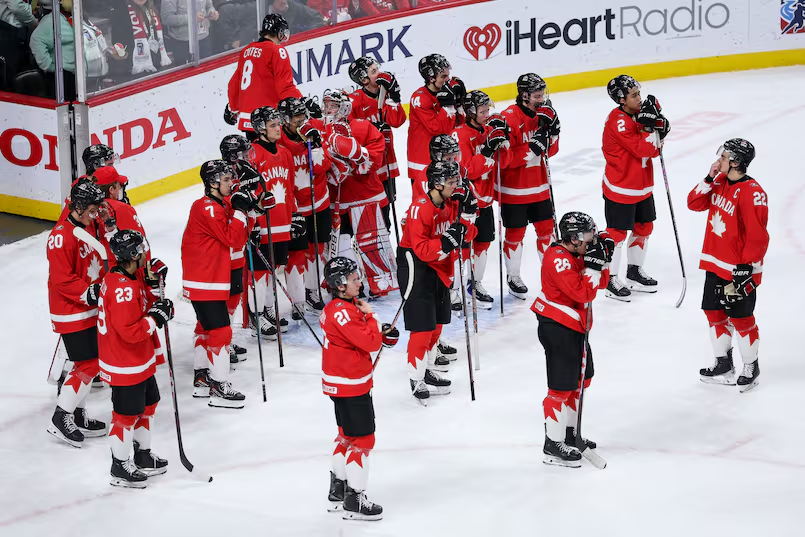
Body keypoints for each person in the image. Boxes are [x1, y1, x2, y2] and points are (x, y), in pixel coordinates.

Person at [687, 139, 768, 392]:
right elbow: (694, 203)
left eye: (722, 157)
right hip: (715, 263)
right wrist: (708, 178)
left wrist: (747, 267)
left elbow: (758, 235)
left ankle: (750, 366)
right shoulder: (719, 181)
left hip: (738, 270)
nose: (717, 160)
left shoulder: (752, 192)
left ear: (735, 162)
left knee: (742, 319)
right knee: (714, 314)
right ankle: (723, 363)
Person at [321, 256, 397, 520]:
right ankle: (355, 499)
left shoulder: (338, 307)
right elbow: (369, 343)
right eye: (354, 279)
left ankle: (338, 491)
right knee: (363, 440)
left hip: (339, 382)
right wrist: (373, 319)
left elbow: (361, 337)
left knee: (346, 435)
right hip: (351, 383)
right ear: (340, 285)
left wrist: (369, 322)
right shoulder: (343, 312)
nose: (359, 282)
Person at [532, 212, 609, 467]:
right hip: (558, 327)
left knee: (580, 381)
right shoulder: (558, 259)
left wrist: (600, 264)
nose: (592, 240)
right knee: (561, 387)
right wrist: (594, 267)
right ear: (574, 238)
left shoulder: (576, 253)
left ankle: (569, 433)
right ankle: (552, 444)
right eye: (587, 236)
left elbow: (600, 284)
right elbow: (584, 292)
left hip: (574, 327)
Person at [397, 160, 477, 404]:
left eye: (457, 181)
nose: (457, 186)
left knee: (437, 324)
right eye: (452, 182)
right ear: (437, 183)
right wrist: (445, 242)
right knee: (422, 328)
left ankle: (428, 367)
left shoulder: (452, 203)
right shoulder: (419, 209)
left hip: (441, 267)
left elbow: (468, 236)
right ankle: (415, 377)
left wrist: (469, 213)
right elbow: (421, 250)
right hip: (416, 268)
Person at [99, 229, 172, 488]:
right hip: (124, 361)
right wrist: (155, 318)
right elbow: (130, 331)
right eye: (141, 250)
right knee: (126, 414)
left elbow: (142, 302)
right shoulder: (122, 290)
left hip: (138, 359)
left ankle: (142, 455)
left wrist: (155, 287)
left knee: (148, 404)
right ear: (132, 254)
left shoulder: (125, 276)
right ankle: (119, 466)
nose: (145, 253)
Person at [181, 160, 254, 408]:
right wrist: (242, 212)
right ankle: (219, 386)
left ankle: (202, 378)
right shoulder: (209, 209)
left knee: (205, 328)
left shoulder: (216, 204)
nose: (230, 183)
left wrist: (245, 211)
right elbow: (233, 238)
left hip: (205, 278)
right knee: (221, 332)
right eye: (225, 180)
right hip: (206, 279)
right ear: (212, 183)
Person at [46, 179, 108, 448]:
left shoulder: (86, 227)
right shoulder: (61, 236)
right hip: (71, 310)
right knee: (88, 364)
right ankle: (61, 417)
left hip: (86, 309)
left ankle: (78, 413)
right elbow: (62, 279)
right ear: (80, 207)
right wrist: (89, 293)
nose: (96, 215)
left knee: (85, 363)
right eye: (93, 210)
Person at [601, 74, 670, 301]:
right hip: (621, 187)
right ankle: (610, 279)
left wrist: (661, 127)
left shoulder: (637, 115)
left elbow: (655, 148)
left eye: (639, 93)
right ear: (621, 100)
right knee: (617, 234)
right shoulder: (618, 120)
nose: (639, 98)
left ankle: (633, 272)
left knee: (644, 227)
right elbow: (644, 150)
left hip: (642, 187)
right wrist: (651, 128)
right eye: (634, 95)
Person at [322, 88, 393, 298]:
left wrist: (356, 157)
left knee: (372, 244)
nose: (329, 109)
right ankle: (347, 285)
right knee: (342, 244)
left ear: (344, 106)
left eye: (334, 105)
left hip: (367, 196)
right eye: (327, 105)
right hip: (339, 199)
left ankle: (378, 282)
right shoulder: (321, 130)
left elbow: (374, 159)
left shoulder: (363, 127)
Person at [497, 73, 560, 300]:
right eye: (536, 95)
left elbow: (551, 152)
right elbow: (503, 160)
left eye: (542, 93)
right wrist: (531, 148)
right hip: (514, 191)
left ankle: (552, 277)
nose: (541, 99)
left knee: (547, 231)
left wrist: (553, 132)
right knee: (515, 235)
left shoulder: (544, 114)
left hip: (540, 187)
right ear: (524, 96)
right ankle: (513, 276)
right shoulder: (508, 118)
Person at [451, 90, 508, 309]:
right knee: (463, 247)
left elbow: (504, 162)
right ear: (470, 112)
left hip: (485, 200)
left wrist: (505, 136)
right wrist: (487, 149)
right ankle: (454, 290)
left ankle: (474, 283)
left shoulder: (488, 130)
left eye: (487, 110)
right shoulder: (460, 134)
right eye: (482, 111)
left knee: (484, 242)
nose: (486, 114)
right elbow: (465, 171)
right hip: (466, 202)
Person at [276, 96, 332, 313]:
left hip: (319, 202)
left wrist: (316, 145)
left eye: (302, 116)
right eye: (295, 118)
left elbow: (322, 167)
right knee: (297, 255)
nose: (301, 121)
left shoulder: (312, 132)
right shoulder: (278, 142)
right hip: (296, 209)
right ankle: (297, 299)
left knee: (316, 249)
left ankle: (313, 290)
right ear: (284, 120)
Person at [225, 14, 319, 138]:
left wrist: (232, 108)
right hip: (269, 120)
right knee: (275, 155)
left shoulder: (246, 51)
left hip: (248, 120)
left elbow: (234, 84)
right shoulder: (276, 50)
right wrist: (301, 103)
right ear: (279, 32)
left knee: (256, 154)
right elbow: (285, 88)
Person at [248, 105, 298, 334]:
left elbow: (289, 188)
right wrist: (252, 223)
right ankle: (256, 313)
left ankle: (269, 308)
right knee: (260, 270)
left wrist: (294, 215)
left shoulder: (285, 153)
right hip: (262, 223)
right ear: (260, 129)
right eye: (273, 125)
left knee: (274, 268)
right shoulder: (253, 154)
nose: (279, 128)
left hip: (281, 223)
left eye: (278, 124)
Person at [348, 56, 407, 225]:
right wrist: (371, 129)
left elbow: (397, 121)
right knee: (373, 214)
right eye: (374, 71)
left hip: (387, 163)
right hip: (369, 167)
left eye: (378, 68)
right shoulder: (354, 101)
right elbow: (348, 132)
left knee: (387, 213)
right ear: (364, 80)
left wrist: (394, 95)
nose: (379, 73)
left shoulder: (385, 93)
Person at [219, 134, 262, 360]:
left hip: (240, 241)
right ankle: (220, 342)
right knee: (223, 300)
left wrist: (254, 216)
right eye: (243, 153)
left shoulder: (245, 172)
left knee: (234, 296)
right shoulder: (221, 179)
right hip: (226, 249)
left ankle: (226, 340)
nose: (247, 157)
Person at [407, 54, 464, 188]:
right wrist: (448, 105)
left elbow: (460, 127)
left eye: (448, 75)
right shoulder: (419, 98)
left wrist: (460, 103)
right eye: (443, 77)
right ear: (431, 78)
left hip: (445, 158)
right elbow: (437, 129)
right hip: (422, 162)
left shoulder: (446, 92)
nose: (448, 79)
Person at [108, 0, 173, 79]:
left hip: (156, 65)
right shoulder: (121, 13)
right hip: (134, 69)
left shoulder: (152, 10)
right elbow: (117, 41)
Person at [161, 0, 219, 64]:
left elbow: (209, 6)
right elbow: (166, 19)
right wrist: (191, 18)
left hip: (204, 38)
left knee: (207, 69)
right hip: (182, 43)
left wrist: (211, 12)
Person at [0, 0, 38, 93]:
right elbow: (17, 6)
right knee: (10, 77)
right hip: (9, 31)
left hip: (11, 31)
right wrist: (33, 22)